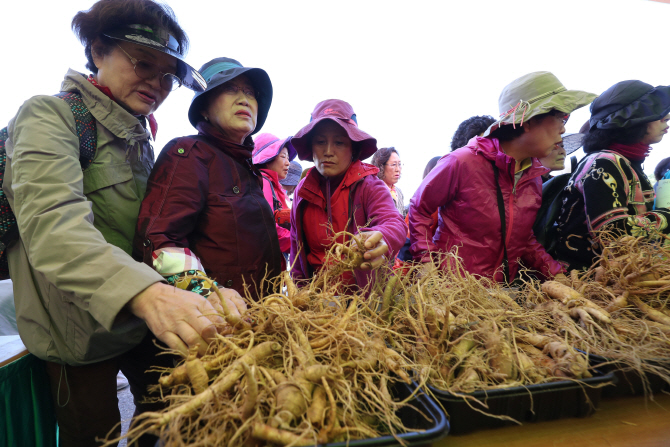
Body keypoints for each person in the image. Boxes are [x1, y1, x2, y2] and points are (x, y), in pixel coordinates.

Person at [1, 1, 238, 445]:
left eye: (168, 75)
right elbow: (54, 227)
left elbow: (157, 235)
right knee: (95, 436)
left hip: (139, 321)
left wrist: (199, 288)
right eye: (142, 62)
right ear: (97, 50)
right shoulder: (48, 116)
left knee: (168, 415)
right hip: (76, 335)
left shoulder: (141, 138)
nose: (157, 82)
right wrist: (147, 294)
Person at [409, 72, 596, 283]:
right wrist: (426, 263)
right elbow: (419, 207)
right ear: (528, 121)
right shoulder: (462, 162)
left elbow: (523, 239)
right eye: (560, 118)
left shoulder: (531, 178)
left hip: (499, 297)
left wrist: (556, 275)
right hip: (453, 291)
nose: (563, 128)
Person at [135, 57, 283, 302]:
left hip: (258, 319)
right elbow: (161, 240)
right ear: (204, 107)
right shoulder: (189, 153)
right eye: (230, 89)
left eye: (250, 92)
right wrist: (207, 292)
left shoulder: (249, 171)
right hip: (215, 324)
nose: (244, 99)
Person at [289, 99, 407, 291]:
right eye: (320, 142)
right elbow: (296, 251)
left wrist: (382, 236)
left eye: (339, 142)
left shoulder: (370, 186)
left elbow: (394, 222)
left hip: (367, 303)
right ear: (311, 147)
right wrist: (299, 294)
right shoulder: (302, 191)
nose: (328, 151)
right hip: (317, 307)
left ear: (353, 148)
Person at [556, 80, 670, 271]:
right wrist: (667, 216)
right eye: (657, 114)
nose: (666, 118)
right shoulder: (603, 162)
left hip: (621, 275)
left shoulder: (627, 163)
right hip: (588, 279)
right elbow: (612, 235)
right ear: (634, 120)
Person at [252, 133, 297, 263]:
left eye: (288, 158)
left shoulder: (277, 188)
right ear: (267, 158)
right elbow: (268, 226)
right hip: (266, 260)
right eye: (283, 156)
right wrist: (300, 243)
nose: (288, 163)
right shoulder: (264, 182)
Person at [371, 147, 405, 216]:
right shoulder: (374, 191)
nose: (398, 169)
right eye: (394, 164)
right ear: (381, 166)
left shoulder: (399, 192)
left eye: (399, 164)